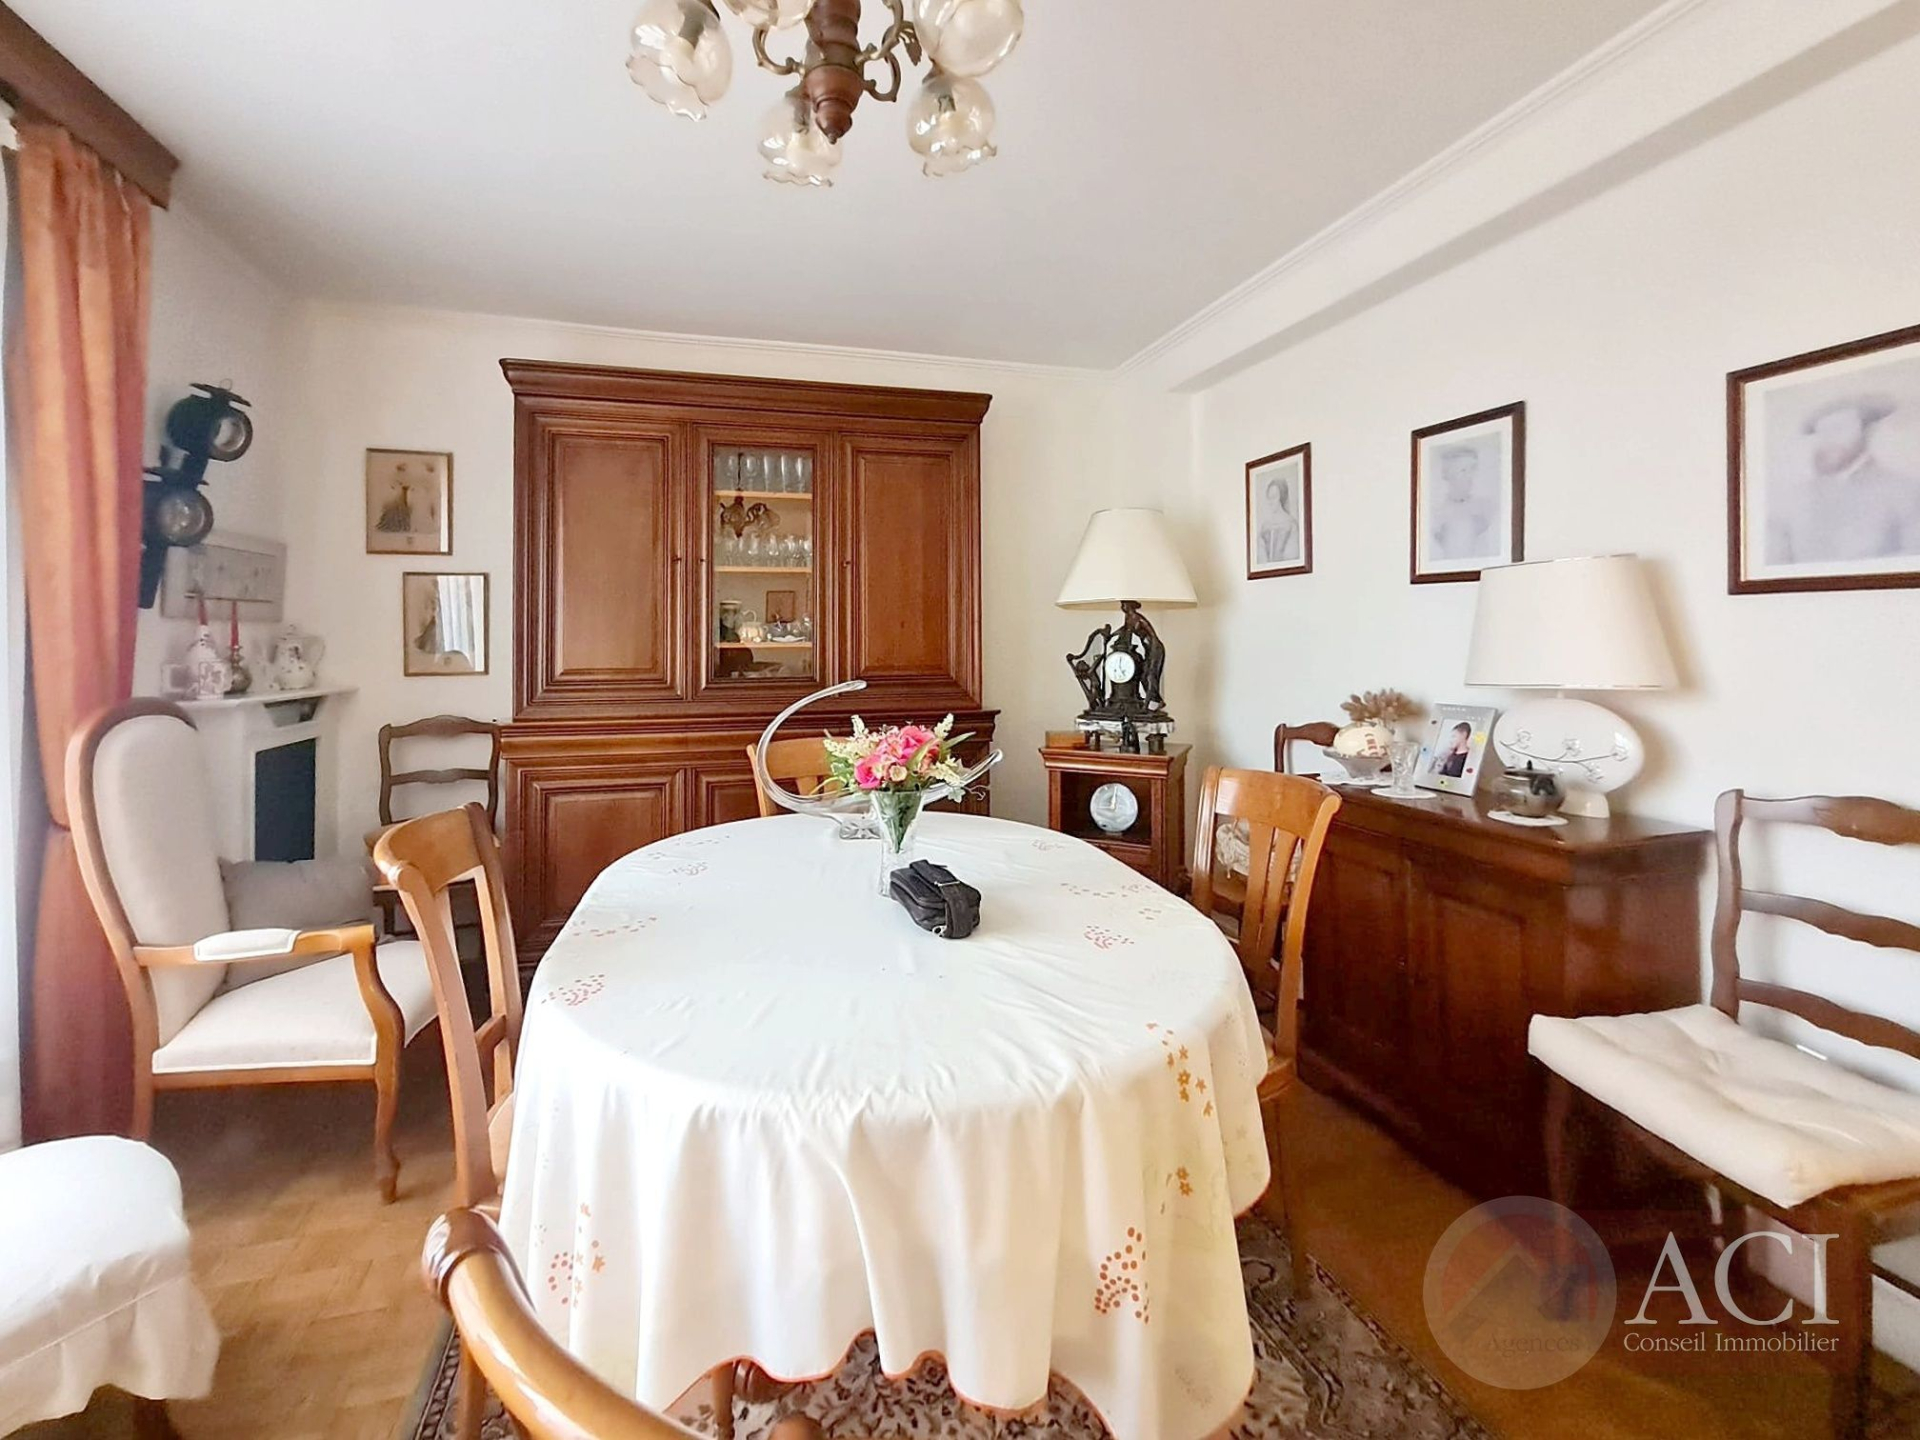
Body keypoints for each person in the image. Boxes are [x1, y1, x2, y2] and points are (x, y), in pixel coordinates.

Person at [1766, 394, 1920, 564]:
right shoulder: (1794, 499)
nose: (1827, 439)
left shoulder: (1904, 491)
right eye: (1821, 432)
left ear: (1866, 432)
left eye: (1838, 429)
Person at [1427, 444, 1497, 562]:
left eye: (1472, 469)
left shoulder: (1486, 507)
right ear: (1447, 474)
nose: (1470, 476)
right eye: (1463, 470)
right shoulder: (1436, 513)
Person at [1257, 475, 1298, 566]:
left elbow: (1292, 558)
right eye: (1269, 497)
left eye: (1274, 497)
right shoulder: (1265, 526)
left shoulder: (1291, 524)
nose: (1271, 502)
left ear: (1282, 497)